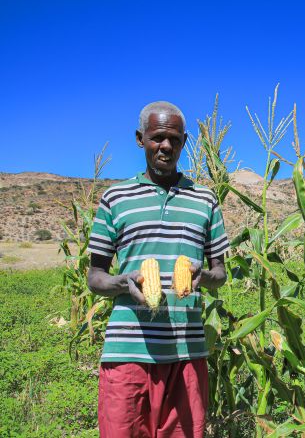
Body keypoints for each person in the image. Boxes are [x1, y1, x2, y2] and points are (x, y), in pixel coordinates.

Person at [87, 101, 229, 437]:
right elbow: (95, 276)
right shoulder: (115, 198)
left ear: (183, 142)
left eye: (175, 139)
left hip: (187, 351)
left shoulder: (205, 200)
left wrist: (204, 277)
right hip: (128, 351)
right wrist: (121, 282)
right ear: (141, 139)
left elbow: (220, 274)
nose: (166, 146)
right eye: (157, 137)